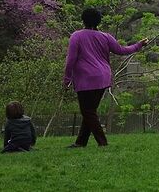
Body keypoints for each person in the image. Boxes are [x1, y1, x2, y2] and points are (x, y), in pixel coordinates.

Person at [63, 8, 148, 148]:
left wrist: (67, 79)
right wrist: (139, 45)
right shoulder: (105, 36)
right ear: (98, 21)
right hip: (103, 77)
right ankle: (80, 142)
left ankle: (102, 142)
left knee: (87, 111)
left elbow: (71, 59)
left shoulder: (76, 36)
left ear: (83, 20)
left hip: (86, 77)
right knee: (90, 111)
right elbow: (121, 50)